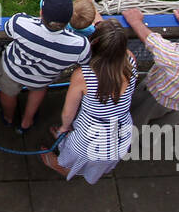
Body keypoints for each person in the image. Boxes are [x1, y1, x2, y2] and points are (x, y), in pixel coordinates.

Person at [41, 19, 135, 183]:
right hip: (120, 133)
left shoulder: (83, 76)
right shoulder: (130, 60)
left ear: (95, 44)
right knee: (96, 162)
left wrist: (64, 128)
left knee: (72, 156)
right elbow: (113, 42)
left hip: (88, 137)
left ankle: (59, 166)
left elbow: (68, 113)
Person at [0, 0, 91, 132]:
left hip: (12, 71)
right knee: (38, 90)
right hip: (43, 78)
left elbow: (7, 29)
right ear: (69, 18)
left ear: (41, 11)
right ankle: (26, 122)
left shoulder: (20, 23)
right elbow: (85, 62)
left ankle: (8, 118)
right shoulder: (80, 45)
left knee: (8, 93)